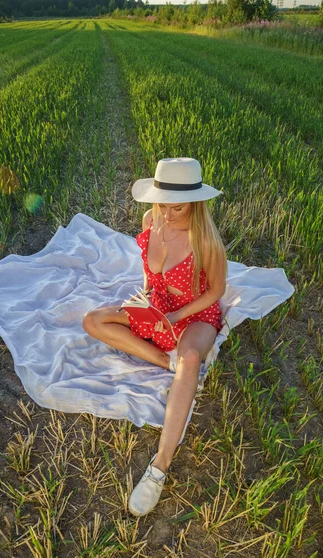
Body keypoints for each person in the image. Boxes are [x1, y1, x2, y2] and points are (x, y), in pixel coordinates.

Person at [82, 157, 227, 516]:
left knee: (191, 357)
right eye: (162, 203)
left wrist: (176, 315)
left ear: (195, 203)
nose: (167, 213)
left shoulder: (208, 242)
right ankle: (166, 361)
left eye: (177, 207)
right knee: (92, 321)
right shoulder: (151, 220)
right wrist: (146, 301)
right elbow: (150, 274)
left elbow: (215, 294)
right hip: (157, 309)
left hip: (194, 315)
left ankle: (159, 467)